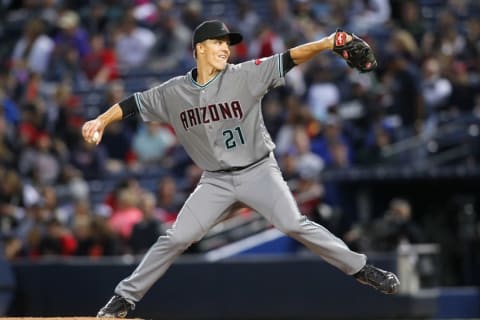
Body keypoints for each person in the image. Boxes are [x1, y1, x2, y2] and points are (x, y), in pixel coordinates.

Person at [82, 20, 400, 318]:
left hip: (258, 170)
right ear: (199, 49)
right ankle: (123, 299)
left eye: (227, 44)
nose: (225, 48)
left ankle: (361, 269)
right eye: (218, 42)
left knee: (294, 224)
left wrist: (329, 42)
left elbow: (289, 58)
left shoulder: (244, 74)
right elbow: (132, 104)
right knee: (176, 238)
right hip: (215, 182)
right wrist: (100, 120)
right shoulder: (173, 92)